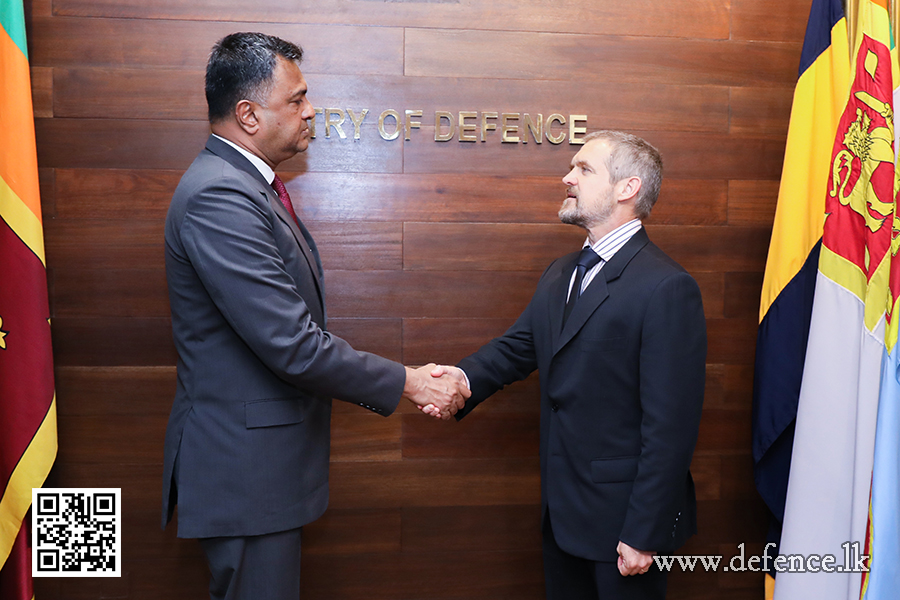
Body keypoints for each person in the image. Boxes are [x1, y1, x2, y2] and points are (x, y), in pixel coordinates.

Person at [161, 32, 467, 600]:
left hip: (259, 472)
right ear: (248, 115)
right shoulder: (220, 196)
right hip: (245, 475)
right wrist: (410, 382)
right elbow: (294, 345)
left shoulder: (246, 186)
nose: (310, 111)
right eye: (297, 99)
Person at [431, 131, 707, 599]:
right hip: (562, 515)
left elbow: (671, 428)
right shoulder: (562, 271)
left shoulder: (667, 287)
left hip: (624, 527)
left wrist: (645, 531)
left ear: (627, 188)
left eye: (584, 169)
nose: (567, 178)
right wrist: (460, 379)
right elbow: (518, 348)